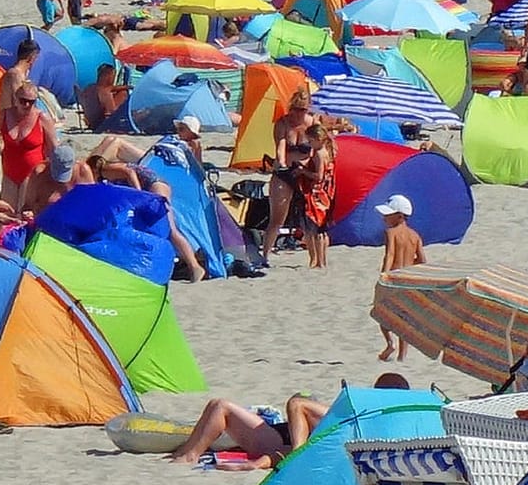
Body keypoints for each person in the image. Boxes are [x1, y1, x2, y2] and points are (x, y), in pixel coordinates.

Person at [168, 374, 409, 468]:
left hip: (277, 439)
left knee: (220, 407)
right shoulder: (369, 421)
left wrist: (296, 453)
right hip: (279, 436)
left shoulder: (349, 416)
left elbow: (296, 404)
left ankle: (188, 456)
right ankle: (185, 452)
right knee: (215, 405)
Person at [86, 136, 207, 281]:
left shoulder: (105, 169)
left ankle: (194, 266)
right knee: (162, 228)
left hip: (156, 186)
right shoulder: (106, 170)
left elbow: (129, 172)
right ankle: (189, 264)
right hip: (157, 184)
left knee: (170, 229)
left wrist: (139, 194)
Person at [261, 87, 316, 266]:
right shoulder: (283, 123)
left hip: (304, 172)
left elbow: (317, 149)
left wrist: (308, 166)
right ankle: (265, 256)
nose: (299, 114)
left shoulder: (312, 123)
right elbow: (281, 147)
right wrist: (282, 162)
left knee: (309, 217)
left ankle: (314, 259)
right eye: (297, 109)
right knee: (277, 218)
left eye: (303, 110)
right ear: (291, 108)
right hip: (284, 173)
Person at [376, 194, 425, 360]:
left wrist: (384, 275)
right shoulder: (415, 236)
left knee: (381, 312)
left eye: (387, 215)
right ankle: (402, 357)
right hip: (409, 280)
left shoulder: (391, 233)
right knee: (405, 320)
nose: (383, 218)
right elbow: (423, 261)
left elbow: (389, 255)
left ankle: (390, 343)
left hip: (395, 279)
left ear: (399, 216)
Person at [0, 80, 58, 206]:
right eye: (23, 100)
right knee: (4, 216)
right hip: (9, 174)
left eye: (31, 102)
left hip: (33, 176)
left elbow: (54, 149)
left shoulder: (42, 118)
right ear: (16, 98)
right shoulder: (4, 115)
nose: (26, 104)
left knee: (26, 216)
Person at [298, 125, 336, 270]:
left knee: (314, 230)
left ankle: (318, 261)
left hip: (317, 194)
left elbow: (319, 176)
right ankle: (321, 261)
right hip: (326, 193)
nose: (309, 143)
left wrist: (303, 171)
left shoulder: (320, 153)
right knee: (321, 229)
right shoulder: (329, 150)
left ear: (317, 139)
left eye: (311, 140)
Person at [18, 144, 91, 217]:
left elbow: (92, 203)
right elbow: (27, 206)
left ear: (74, 163)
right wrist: (28, 214)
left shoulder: (83, 172)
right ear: (50, 161)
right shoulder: (39, 173)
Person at [0, 38, 41, 113]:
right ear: (31, 57)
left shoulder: (16, 73)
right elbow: (19, 104)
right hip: (11, 121)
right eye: (36, 58)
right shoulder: (15, 75)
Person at [80, 62, 129, 129]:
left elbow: (112, 88)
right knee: (123, 93)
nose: (113, 79)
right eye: (113, 76)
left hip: (91, 122)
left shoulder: (89, 88)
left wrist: (127, 87)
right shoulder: (105, 92)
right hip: (103, 123)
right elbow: (111, 112)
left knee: (121, 92)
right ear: (108, 76)